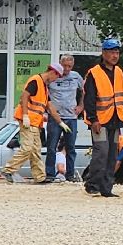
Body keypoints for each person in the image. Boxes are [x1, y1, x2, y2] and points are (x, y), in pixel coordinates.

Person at [82, 37, 123, 198]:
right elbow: (89, 98)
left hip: (116, 119)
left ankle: (106, 187)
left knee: (112, 155)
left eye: (117, 52)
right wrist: (93, 119)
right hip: (100, 120)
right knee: (101, 153)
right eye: (112, 52)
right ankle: (92, 184)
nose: (115, 55)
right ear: (104, 53)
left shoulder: (119, 72)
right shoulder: (94, 73)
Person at [1, 62, 64, 182]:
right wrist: (25, 115)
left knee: (36, 150)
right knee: (28, 148)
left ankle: (40, 177)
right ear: (53, 72)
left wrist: (60, 122)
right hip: (27, 121)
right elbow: (24, 96)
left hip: (35, 122)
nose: (55, 80)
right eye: (57, 76)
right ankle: (8, 170)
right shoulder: (35, 80)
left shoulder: (45, 88)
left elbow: (50, 107)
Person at [43, 54, 84, 184]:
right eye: (64, 66)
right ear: (60, 64)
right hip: (55, 117)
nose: (66, 69)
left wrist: (81, 106)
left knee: (70, 147)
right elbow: (43, 92)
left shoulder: (76, 76)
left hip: (71, 117)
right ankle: (50, 174)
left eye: (69, 66)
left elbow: (84, 91)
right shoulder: (53, 76)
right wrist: (46, 109)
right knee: (51, 147)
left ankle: (70, 175)